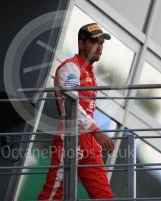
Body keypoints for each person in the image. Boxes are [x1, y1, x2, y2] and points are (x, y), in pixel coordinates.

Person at [38, 23, 114, 200]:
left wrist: (94, 134)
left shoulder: (90, 72)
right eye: (95, 42)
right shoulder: (70, 68)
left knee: (104, 196)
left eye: (102, 43)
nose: (100, 47)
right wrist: (97, 132)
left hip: (89, 142)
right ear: (81, 44)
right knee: (53, 195)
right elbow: (70, 105)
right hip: (70, 138)